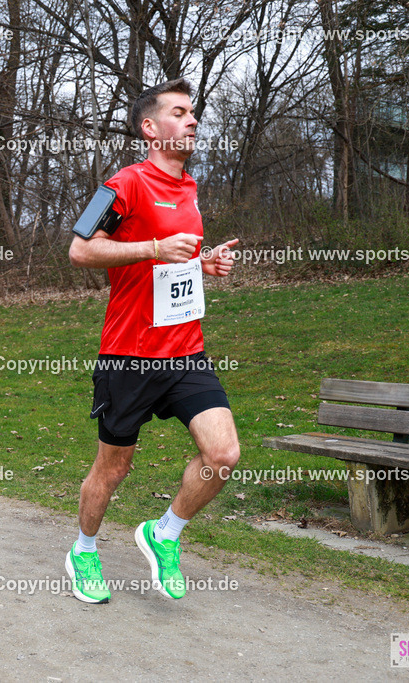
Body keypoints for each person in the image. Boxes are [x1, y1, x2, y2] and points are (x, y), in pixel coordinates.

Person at [66, 78, 240, 603]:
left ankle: (164, 532)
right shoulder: (123, 186)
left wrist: (203, 264)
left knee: (224, 455)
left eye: (194, 113)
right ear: (149, 127)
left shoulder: (188, 188)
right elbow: (80, 250)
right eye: (180, 113)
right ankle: (84, 550)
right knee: (114, 467)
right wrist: (153, 247)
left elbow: (171, 267)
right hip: (129, 355)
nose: (192, 121)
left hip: (186, 351)